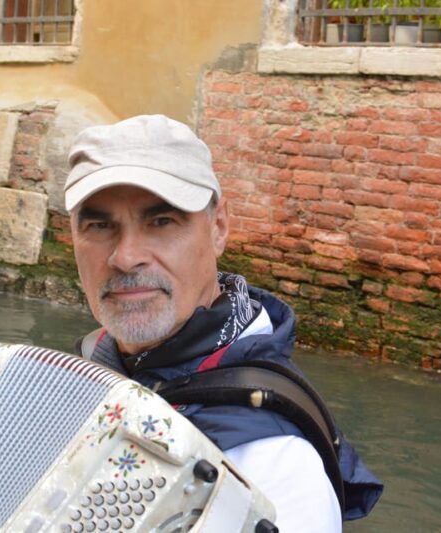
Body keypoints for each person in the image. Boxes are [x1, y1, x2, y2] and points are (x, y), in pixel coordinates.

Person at [64, 114, 382, 532]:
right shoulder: (89, 369)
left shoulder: (277, 467)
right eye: (99, 225)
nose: (125, 257)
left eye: (162, 222)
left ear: (219, 228)